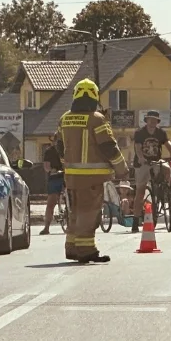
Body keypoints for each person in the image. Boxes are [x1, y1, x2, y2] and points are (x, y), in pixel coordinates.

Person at [58, 78, 129, 263]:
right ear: (95, 97)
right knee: (89, 214)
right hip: (91, 179)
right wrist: (122, 169)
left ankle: (72, 247)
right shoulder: (97, 119)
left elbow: (59, 146)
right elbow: (109, 147)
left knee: (75, 213)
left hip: (71, 178)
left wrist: (67, 165)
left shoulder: (65, 118)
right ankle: (86, 250)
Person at [131, 110, 171, 233]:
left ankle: (163, 189)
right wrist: (141, 158)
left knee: (167, 168)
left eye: (155, 120)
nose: (152, 122)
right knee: (140, 192)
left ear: (157, 122)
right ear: (146, 120)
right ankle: (136, 221)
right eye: (150, 119)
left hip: (156, 161)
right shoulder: (140, 133)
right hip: (143, 163)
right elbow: (137, 147)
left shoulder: (160, 133)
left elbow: (167, 143)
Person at [38, 133, 65, 235]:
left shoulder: (68, 149)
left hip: (68, 176)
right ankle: (46, 227)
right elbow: (46, 166)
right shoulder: (49, 151)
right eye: (56, 140)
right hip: (55, 177)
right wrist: (51, 170)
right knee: (51, 202)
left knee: (75, 197)